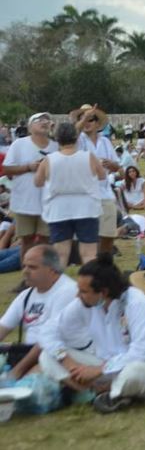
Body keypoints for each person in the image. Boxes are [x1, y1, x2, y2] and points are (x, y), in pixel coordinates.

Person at [39, 253, 145, 413]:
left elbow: (144, 351)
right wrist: (68, 362)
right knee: (47, 355)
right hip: (102, 366)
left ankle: (109, 393)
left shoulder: (136, 302)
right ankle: (95, 393)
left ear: (103, 292)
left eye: (83, 291)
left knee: (132, 373)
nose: (78, 295)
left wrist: (99, 370)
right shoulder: (85, 303)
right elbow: (48, 330)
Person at [0, 245, 79, 381]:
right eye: (24, 266)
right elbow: (3, 328)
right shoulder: (26, 294)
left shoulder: (68, 291)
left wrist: (17, 372)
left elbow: (49, 340)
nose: (25, 271)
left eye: (32, 267)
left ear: (52, 269)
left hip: (56, 354)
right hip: (27, 353)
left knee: (30, 383)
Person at [35, 122, 106, 266]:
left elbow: (38, 182)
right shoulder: (89, 157)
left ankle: (58, 286)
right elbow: (102, 175)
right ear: (76, 137)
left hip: (59, 210)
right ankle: (92, 285)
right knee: (89, 254)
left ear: (57, 139)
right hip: (86, 208)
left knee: (60, 254)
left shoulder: (48, 160)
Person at [3, 112, 58, 258]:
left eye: (47, 119)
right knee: (26, 240)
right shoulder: (19, 144)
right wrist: (28, 167)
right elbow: (7, 168)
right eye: (39, 120)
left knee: (46, 239)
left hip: (48, 202)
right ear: (29, 127)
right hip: (24, 201)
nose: (44, 122)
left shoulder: (56, 146)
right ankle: (28, 277)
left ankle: (43, 275)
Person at [73, 105, 120, 255]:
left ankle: (104, 263)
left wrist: (111, 164)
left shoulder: (105, 141)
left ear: (98, 124)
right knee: (89, 236)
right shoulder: (76, 139)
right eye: (82, 118)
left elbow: (117, 166)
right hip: (84, 192)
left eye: (91, 119)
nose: (86, 122)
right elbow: (72, 132)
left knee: (108, 234)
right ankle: (91, 265)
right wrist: (86, 116)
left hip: (105, 192)